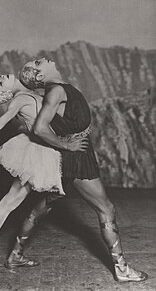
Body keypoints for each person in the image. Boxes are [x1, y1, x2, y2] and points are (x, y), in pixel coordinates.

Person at [9, 57, 148, 283]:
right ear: (40, 76)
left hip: (72, 156)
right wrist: (66, 145)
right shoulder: (56, 92)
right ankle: (122, 270)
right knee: (106, 209)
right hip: (75, 159)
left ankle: (15, 255)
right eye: (38, 62)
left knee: (42, 207)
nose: (43, 58)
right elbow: (40, 128)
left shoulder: (60, 89)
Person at [0, 73, 88, 275]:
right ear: (6, 93)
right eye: (0, 82)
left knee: (18, 199)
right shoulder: (19, 100)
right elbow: (0, 123)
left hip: (49, 150)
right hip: (38, 152)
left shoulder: (32, 92)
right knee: (12, 200)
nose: (2, 76)